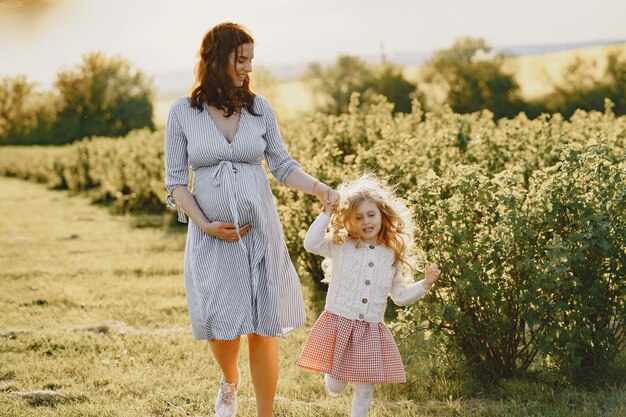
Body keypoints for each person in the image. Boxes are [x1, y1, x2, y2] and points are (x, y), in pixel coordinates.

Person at [163, 22, 339, 417]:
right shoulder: (183, 113)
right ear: (216, 58)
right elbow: (175, 182)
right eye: (241, 60)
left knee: (264, 325)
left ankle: (265, 414)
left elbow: (282, 165)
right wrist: (205, 224)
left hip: (260, 230)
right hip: (211, 234)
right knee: (221, 323)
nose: (248, 68)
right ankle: (229, 381)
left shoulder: (259, 109)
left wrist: (319, 188)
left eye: (251, 61)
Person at [297, 174, 440, 417]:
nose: (366, 221)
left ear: (382, 214)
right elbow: (311, 243)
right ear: (349, 220)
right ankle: (332, 375)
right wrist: (326, 214)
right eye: (359, 217)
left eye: (371, 215)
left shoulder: (391, 253)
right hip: (339, 322)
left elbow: (400, 295)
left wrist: (425, 284)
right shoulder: (341, 243)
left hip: (370, 329)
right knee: (336, 386)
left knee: (365, 388)